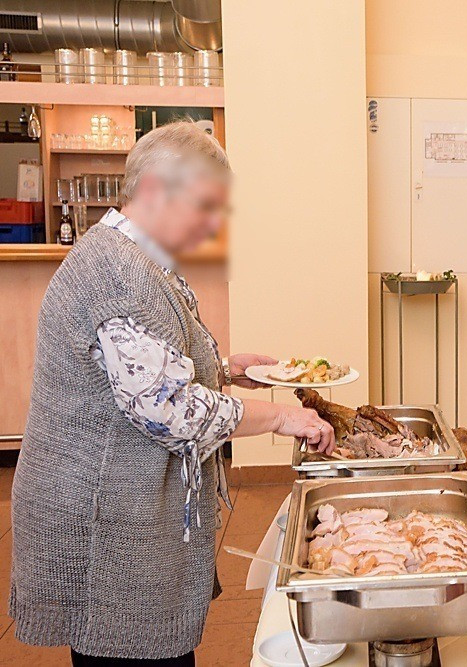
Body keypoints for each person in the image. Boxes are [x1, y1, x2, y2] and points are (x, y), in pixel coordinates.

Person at [9, 122, 338, 666]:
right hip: (100, 514)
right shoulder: (117, 272)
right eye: (206, 206)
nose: (213, 224)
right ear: (157, 191)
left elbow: (150, 363)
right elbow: (168, 408)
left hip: (121, 502)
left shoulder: (135, 258)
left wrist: (226, 369)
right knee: (125, 650)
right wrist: (281, 418)